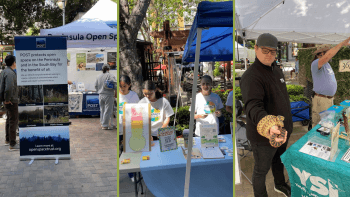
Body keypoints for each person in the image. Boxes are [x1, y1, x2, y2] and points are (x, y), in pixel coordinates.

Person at [240, 33, 292, 197]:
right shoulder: (251, 76)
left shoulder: (276, 70)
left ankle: (280, 184)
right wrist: (269, 125)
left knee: (279, 160)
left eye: (273, 51)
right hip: (263, 137)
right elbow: (253, 106)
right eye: (265, 50)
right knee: (261, 170)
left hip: (282, 132)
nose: (269, 54)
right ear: (255, 49)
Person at [311, 37, 350, 128]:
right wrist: (341, 44)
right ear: (319, 54)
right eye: (324, 53)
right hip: (322, 100)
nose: (327, 55)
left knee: (327, 126)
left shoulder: (326, 64)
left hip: (328, 99)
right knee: (321, 126)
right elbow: (327, 57)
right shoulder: (315, 63)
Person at [118, 75, 139, 182]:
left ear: (129, 85)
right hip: (117, 129)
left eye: (124, 86)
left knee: (129, 152)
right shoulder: (116, 95)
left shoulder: (134, 96)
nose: (122, 88)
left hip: (129, 129)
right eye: (120, 86)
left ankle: (131, 174)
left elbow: (138, 113)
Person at [0, 55, 19, 150]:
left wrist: (4, 100)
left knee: (9, 119)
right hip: (11, 101)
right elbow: (8, 88)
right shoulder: (11, 73)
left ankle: (8, 139)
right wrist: (7, 100)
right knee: (13, 121)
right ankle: (13, 143)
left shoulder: (4, 72)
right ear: (13, 63)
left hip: (7, 100)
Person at [95, 64, 117, 130]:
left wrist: (99, 91)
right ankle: (105, 125)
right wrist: (115, 92)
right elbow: (115, 85)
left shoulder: (98, 76)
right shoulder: (110, 75)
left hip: (100, 95)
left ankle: (102, 123)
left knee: (102, 110)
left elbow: (95, 86)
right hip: (109, 95)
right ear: (108, 69)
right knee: (108, 110)